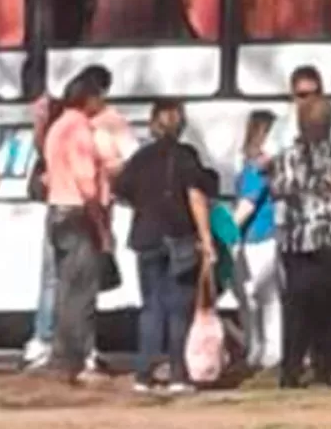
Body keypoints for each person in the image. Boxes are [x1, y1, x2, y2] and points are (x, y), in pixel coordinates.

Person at [115, 100, 220, 394]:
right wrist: (207, 237)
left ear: (152, 124)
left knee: (151, 307)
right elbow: (196, 196)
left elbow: (121, 192)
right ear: (181, 125)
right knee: (178, 308)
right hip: (180, 237)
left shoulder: (141, 158)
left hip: (146, 237)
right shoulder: (186, 157)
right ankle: (177, 374)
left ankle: (144, 374)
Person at [24, 64, 118, 371]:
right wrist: (101, 224)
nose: (102, 104)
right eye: (100, 97)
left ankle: (62, 352)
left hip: (56, 210)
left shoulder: (57, 127)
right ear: (89, 97)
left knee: (64, 286)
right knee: (83, 291)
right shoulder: (79, 130)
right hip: (78, 213)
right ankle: (77, 356)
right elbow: (86, 183)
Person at [269, 95, 331, 389]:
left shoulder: (285, 157)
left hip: (296, 241)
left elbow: (275, 191)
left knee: (296, 309)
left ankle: (292, 371)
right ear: (330, 123)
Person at [234, 110, 282, 370]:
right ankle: (265, 350)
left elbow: (247, 205)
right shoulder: (262, 167)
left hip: (257, 237)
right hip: (263, 235)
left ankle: (262, 349)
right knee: (265, 298)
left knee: (256, 298)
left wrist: (226, 232)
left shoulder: (255, 169)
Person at [266, 65, 331, 157]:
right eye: (303, 95)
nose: (309, 100)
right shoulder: (282, 125)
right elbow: (268, 157)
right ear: (293, 95)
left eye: (315, 94)